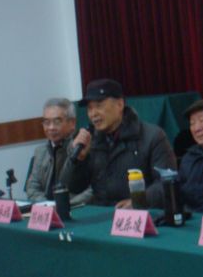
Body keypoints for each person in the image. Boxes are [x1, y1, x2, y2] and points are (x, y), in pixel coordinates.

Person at [66, 79, 176, 208]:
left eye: (99, 106)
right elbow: (73, 187)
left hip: (142, 213)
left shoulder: (152, 136)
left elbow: (167, 182)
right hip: (103, 212)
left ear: (120, 104)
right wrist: (79, 160)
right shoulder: (91, 141)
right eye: (89, 108)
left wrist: (139, 201)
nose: (93, 114)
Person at [26, 98, 92, 205]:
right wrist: (48, 205)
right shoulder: (40, 152)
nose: (51, 127)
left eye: (57, 122)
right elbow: (32, 188)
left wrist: (66, 204)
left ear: (72, 123)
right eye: (46, 122)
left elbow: (93, 189)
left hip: (76, 208)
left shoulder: (83, 148)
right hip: (48, 208)